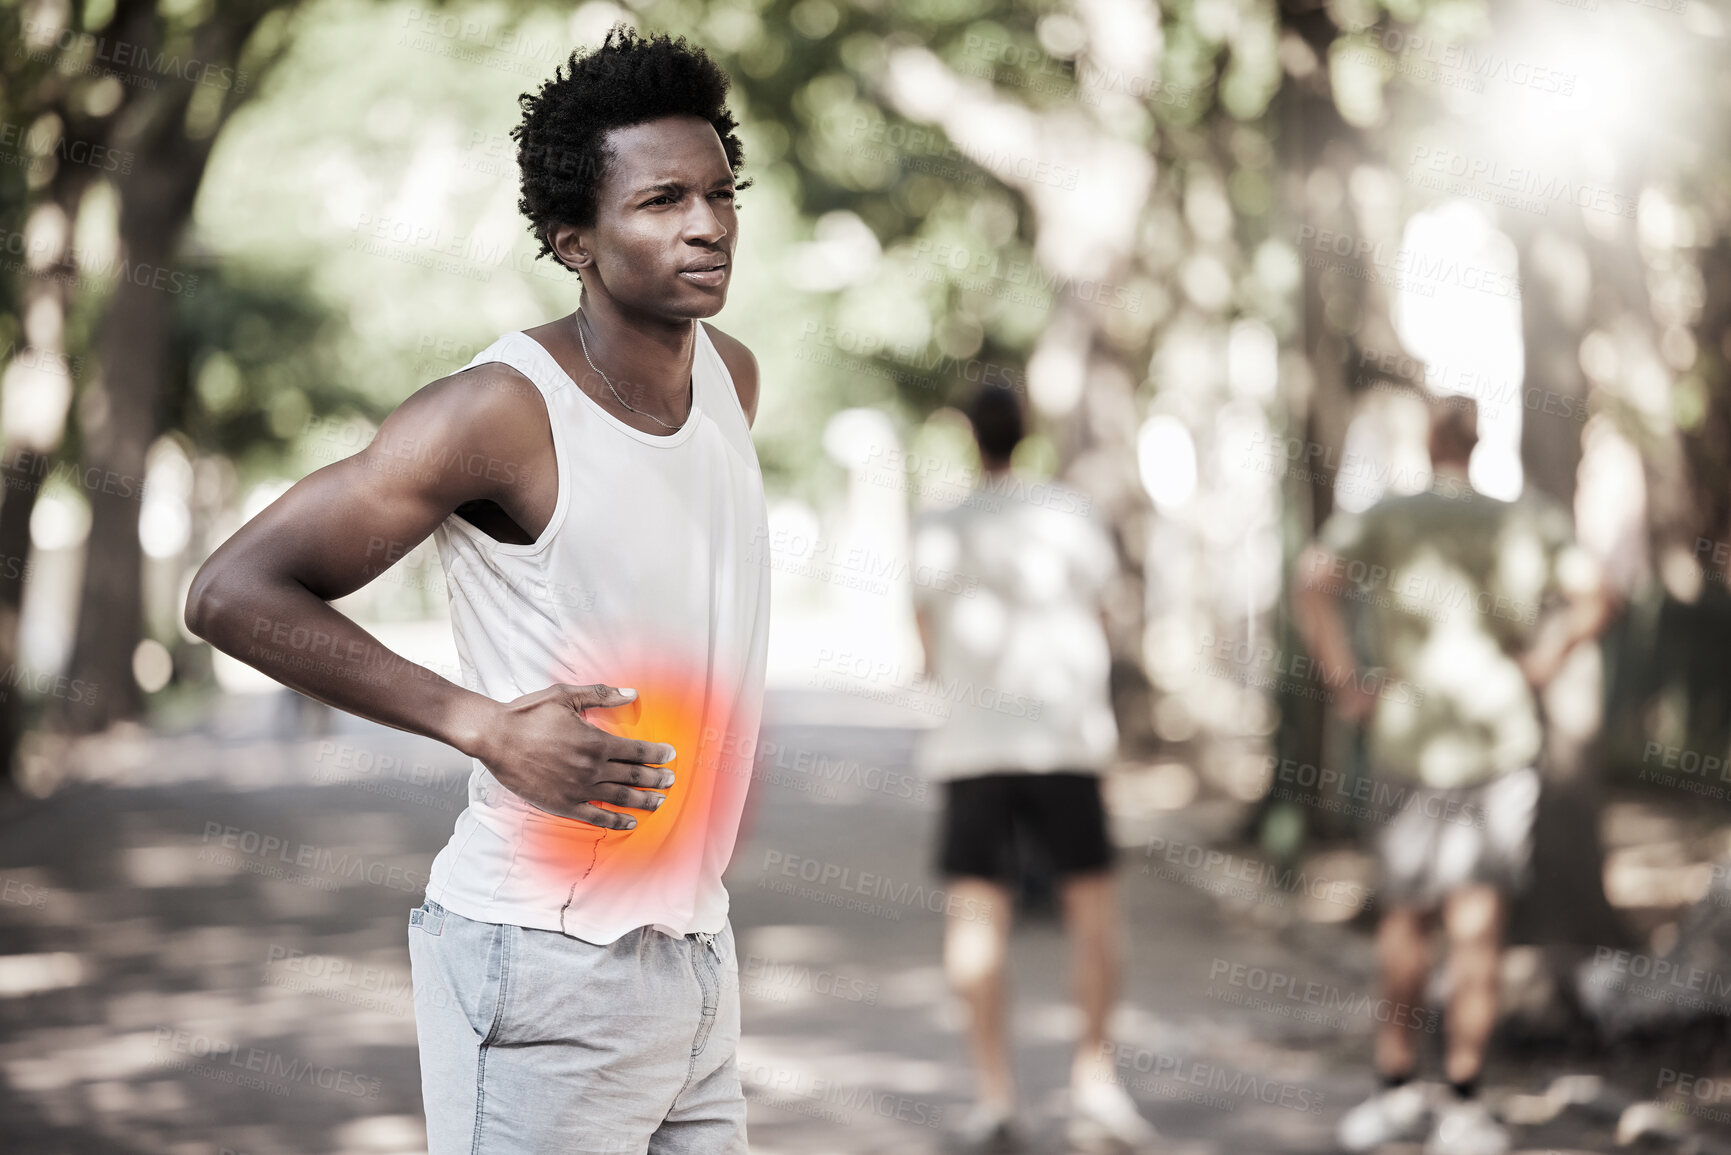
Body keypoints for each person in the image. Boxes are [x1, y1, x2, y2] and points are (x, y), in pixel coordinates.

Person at [185, 29, 768, 1154]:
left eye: (719, 192)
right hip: (541, 958)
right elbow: (232, 591)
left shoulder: (732, 379)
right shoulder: (500, 411)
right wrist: (481, 724)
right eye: (660, 200)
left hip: (695, 952)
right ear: (575, 242)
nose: (708, 223)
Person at [1293, 393, 1611, 1155]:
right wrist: (1545, 657)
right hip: (1499, 735)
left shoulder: (1389, 513)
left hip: (1406, 734)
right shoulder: (1523, 516)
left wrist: (1345, 681)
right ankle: (1464, 1099)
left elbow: (1312, 578)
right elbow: (1598, 593)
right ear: (1476, 444)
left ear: (1430, 439)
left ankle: (1396, 1088)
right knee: (1478, 925)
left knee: (1405, 919)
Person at [909, 383, 1158, 1153]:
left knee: (977, 920)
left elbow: (921, 638)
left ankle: (994, 1094)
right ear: (1028, 433)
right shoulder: (1071, 512)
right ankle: (1095, 1081)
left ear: (969, 437)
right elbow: (1106, 617)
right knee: (1093, 914)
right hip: (1064, 741)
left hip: (974, 745)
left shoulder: (940, 522)